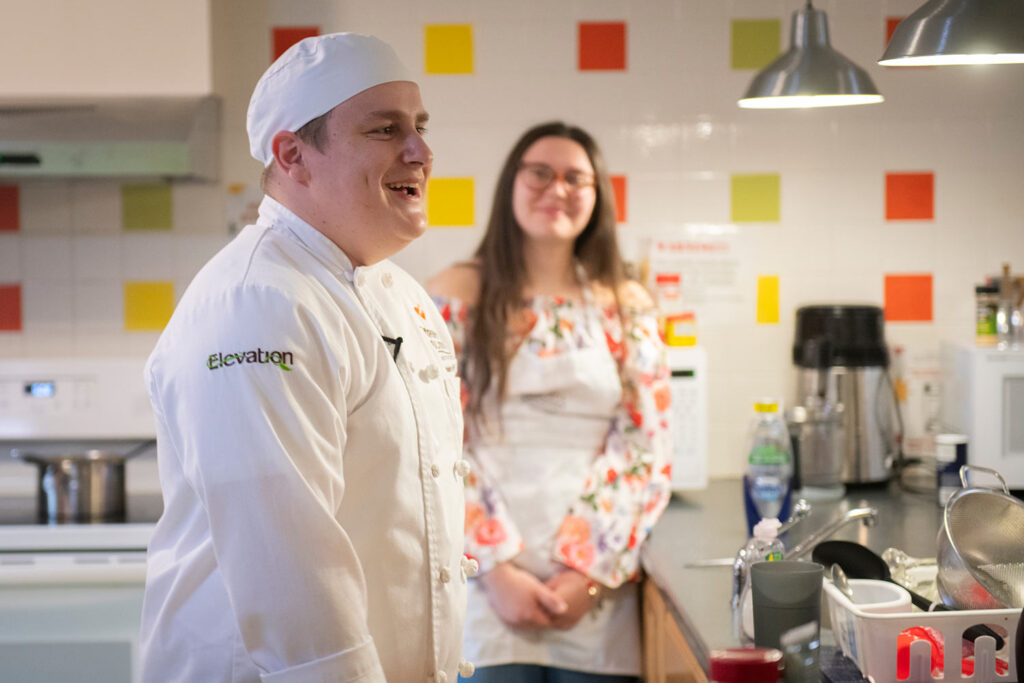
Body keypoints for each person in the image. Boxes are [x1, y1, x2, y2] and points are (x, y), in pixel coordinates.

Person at [139, 33, 472, 683]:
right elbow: (289, 572)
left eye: (421, 127)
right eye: (385, 129)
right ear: (293, 155)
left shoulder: (398, 294)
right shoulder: (259, 304)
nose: (422, 152)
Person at [427, 122, 673, 682]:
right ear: (511, 183)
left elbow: (647, 444)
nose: (557, 188)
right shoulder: (456, 292)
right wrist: (495, 571)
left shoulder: (626, 304)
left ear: (597, 195)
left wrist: (586, 574)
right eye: (540, 172)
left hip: (594, 594)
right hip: (484, 594)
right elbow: (432, 442)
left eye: (575, 178)